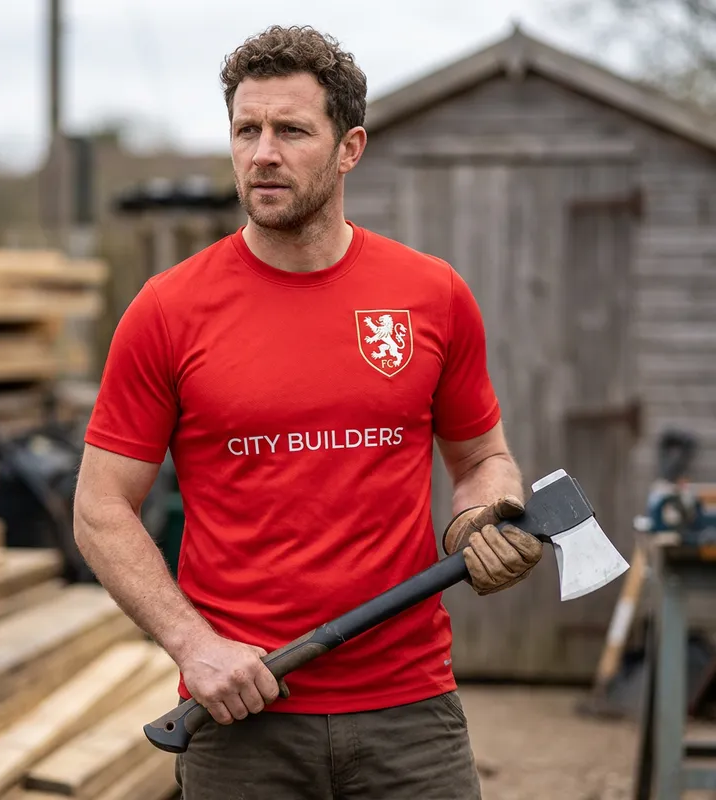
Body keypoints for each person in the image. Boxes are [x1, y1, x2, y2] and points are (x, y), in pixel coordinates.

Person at [73, 24, 544, 800]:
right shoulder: (168, 310)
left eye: (291, 130)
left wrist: (481, 523)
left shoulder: (430, 295)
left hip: (410, 710)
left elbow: (481, 458)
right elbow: (99, 506)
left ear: (349, 147)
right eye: (246, 130)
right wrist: (193, 645)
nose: (263, 153)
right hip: (243, 713)